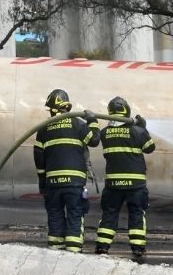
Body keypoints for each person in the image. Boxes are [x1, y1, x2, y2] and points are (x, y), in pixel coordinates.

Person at [34, 88, 99, 253]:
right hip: (74, 182)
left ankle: (55, 251)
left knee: (54, 214)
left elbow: (38, 157)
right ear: (67, 106)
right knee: (76, 213)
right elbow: (94, 140)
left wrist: (42, 181)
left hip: (52, 183)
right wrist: (93, 122)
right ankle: (73, 253)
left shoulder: (44, 129)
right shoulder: (78, 124)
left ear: (52, 108)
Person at [93, 96, 156, 262]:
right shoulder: (138, 131)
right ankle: (138, 249)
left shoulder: (105, 133)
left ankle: (102, 246)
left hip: (113, 183)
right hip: (136, 184)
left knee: (110, 213)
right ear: (126, 110)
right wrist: (143, 128)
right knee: (136, 213)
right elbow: (150, 148)